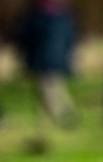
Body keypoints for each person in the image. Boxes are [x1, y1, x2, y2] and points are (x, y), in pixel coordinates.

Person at [18, 0, 78, 128]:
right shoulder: (65, 17)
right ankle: (46, 123)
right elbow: (71, 40)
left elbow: (26, 39)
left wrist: (25, 56)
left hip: (43, 59)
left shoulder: (35, 18)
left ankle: (63, 118)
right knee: (55, 87)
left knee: (47, 89)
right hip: (59, 59)